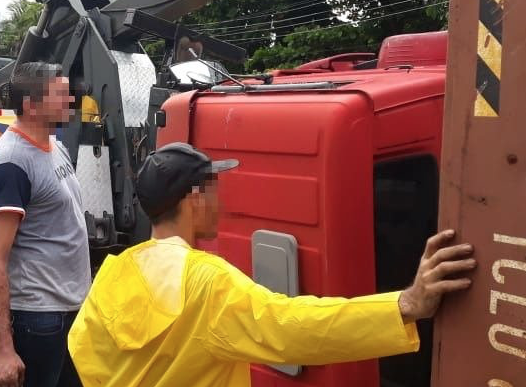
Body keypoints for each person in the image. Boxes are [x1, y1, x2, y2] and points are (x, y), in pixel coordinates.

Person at [68, 142, 476, 387]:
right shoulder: (206, 282)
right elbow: (294, 327)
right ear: (194, 200)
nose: (220, 203)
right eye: (214, 191)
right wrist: (404, 304)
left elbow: (81, 349)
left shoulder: (114, 272)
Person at [0, 62, 89, 387]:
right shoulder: (11, 162)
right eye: (60, 94)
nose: (71, 99)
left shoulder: (56, 147)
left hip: (68, 309)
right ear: (30, 105)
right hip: (37, 318)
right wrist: (2, 349)